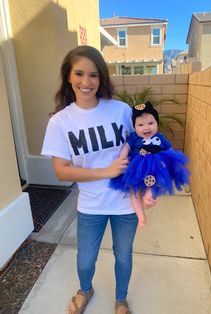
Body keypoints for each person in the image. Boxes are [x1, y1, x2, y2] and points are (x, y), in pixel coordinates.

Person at [41, 45, 144, 314]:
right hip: (91, 205)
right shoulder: (61, 122)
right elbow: (62, 170)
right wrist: (106, 172)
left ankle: (121, 299)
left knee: (123, 256)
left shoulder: (121, 110)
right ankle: (85, 289)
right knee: (86, 260)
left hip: (124, 203)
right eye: (79, 74)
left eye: (94, 75)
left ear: (102, 78)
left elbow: (141, 147)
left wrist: (146, 184)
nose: (86, 82)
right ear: (68, 77)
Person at [110, 101, 190, 228]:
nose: (146, 128)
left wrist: (172, 160)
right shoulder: (134, 137)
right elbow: (126, 146)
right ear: (134, 127)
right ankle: (140, 215)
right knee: (133, 189)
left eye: (151, 123)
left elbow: (169, 149)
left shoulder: (160, 137)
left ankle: (149, 195)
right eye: (140, 125)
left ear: (157, 123)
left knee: (156, 180)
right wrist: (122, 156)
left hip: (157, 164)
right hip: (137, 164)